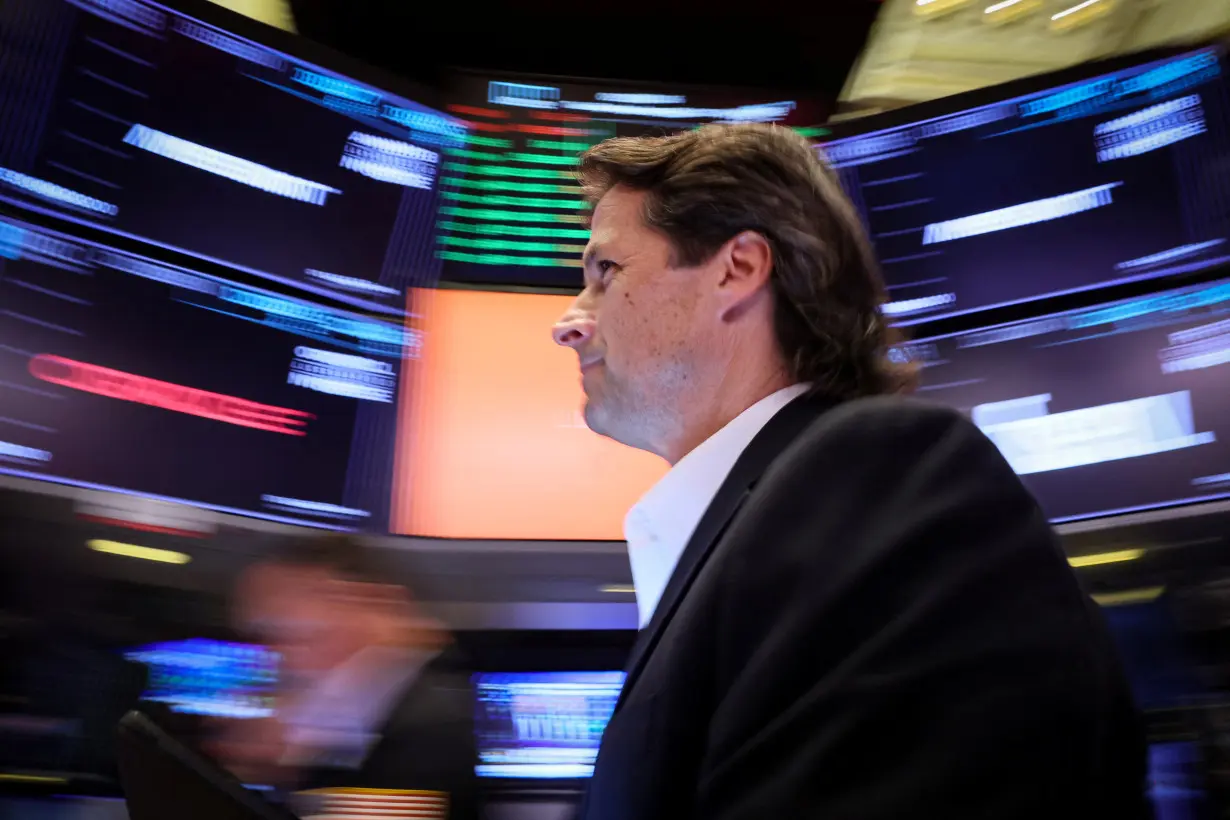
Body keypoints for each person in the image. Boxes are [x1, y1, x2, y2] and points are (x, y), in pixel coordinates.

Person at [550, 123, 1150, 820]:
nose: (568, 323)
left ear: (738, 269)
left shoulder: (882, 471)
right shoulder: (760, 529)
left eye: (605, 273)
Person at [213, 536, 479, 820]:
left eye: (292, 632)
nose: (277, 657)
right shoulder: (347, 710)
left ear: (370, 602)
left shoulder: (429, 722)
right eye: (265, 634)